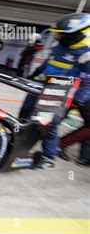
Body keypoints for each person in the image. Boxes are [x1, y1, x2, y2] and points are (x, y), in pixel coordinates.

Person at [19, 13, 90, 169]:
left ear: (77, 34)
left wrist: (78, 100)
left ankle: (48, 158)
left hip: (57, 89)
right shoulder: (60, 45)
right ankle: (19, 149)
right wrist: (35, 73)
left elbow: (88, 82)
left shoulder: (86, 52)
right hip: (40, 84)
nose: (58, 37)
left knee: (46, 124)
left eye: (62, 35)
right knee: (24, 115)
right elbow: (49, 61)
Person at [59, 97, 90, 167]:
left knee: (88, 128)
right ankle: (60, 144)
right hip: (82, 97)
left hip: (82, 97)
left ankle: (85, 157)